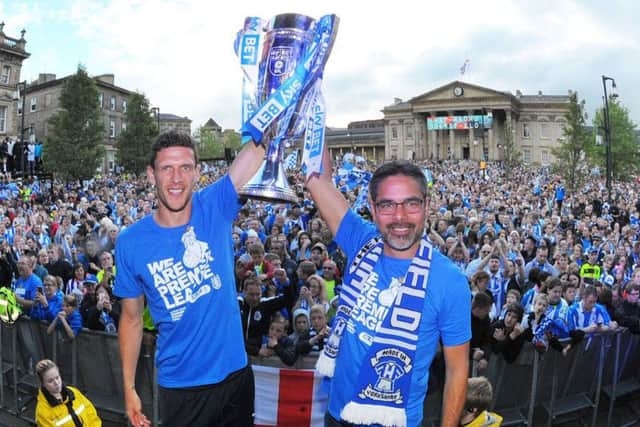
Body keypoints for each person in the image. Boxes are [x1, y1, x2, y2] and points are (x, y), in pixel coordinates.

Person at [306, 154, 470, 427]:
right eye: (387, 205)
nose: (400, 217)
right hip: (337, 414)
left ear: (427, 205)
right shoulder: (362, 241)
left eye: (411, 204)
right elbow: (317, 180)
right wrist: (316, 113)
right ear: (372, 208)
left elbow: (457, 369)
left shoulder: (450, 281)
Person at [114, 131, 264, 427]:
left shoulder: (214, 205)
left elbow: (259, 149)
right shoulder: (130, 242)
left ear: (197, 172)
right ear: (150, 175)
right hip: (182, 389)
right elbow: (131, 319)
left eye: (185, 167)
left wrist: (286, 99)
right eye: (166, 168)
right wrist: (129, 388)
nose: (176, 178)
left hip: (236, 378)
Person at [35, 359, 102, 426]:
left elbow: (91, 415)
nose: (56, 383)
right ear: (43, 384)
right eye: (50, 381)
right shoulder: (42, 412)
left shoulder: (74, 392)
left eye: (57, 377)